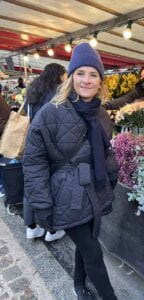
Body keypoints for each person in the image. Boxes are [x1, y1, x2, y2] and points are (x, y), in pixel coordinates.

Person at [23, 43, 118, 300]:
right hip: (66, 196)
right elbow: (33, 161)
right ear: (70, 77)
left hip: (94, 192)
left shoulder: (100, 113)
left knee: (85, 246)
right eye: (80, 73)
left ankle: (79, 287)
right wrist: (41, 204)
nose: (86, 80)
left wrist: (111, 176)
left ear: (100, 80)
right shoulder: (51, 112)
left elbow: (105, 150)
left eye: (93, 74)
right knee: (94, 252)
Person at [23, 63, 67, 242]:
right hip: (51, 144)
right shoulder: (57, 92)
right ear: (58, 75)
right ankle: (51, 229)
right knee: (51, 185)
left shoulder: (34, 89)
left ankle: (31, 227)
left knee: (32, 184)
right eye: (64, 74)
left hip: (31, 142)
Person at [0, 94, 10, 197]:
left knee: (2, 161)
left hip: (3, 131)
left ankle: (3, 186)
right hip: (4, 129)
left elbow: (4, 117)